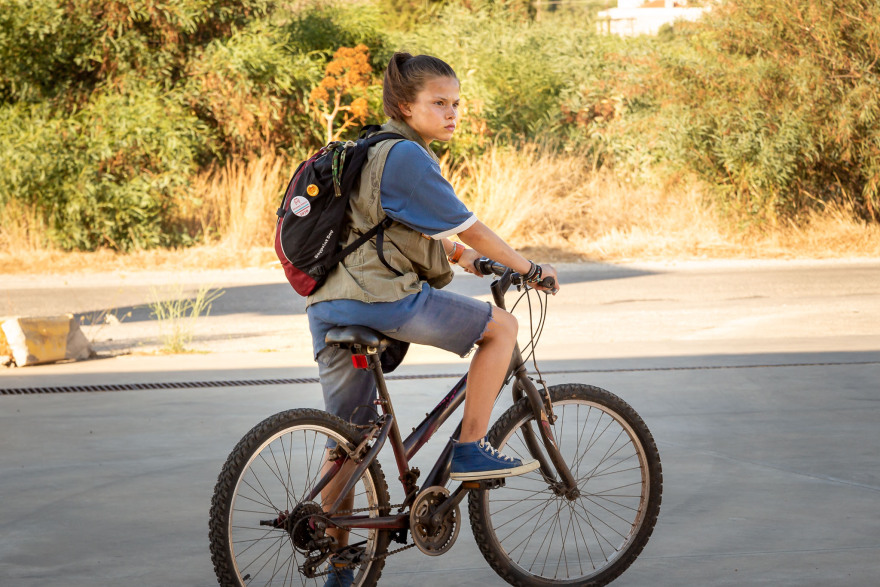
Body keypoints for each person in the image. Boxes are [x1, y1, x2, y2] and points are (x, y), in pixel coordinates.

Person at [306, 52, 559, 587]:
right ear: (405, 105)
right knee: (502, 328)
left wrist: (466, 261)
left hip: (329, 305)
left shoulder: (367, 150)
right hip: (381, 300)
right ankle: (470, 448)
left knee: (349, 444)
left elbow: (392, 233)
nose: (451, 113)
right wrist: (527, 267)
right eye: (439, 103)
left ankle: (339, 571)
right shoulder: (409, 158)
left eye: (456, 103)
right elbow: (474, 230)